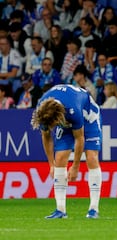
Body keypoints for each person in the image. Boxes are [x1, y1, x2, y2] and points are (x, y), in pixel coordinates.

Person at [31, 84, 102, 218]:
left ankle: (93, 209)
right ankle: (60, 210)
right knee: (60, 159)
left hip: (88, 116)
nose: (51, 128)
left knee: (92, 157)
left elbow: (79, 138)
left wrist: (75, 166)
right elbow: (46, 137)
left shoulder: (73, 109)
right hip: (64, 117)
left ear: (57, 119)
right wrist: (51, 165)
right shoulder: (42, 109)